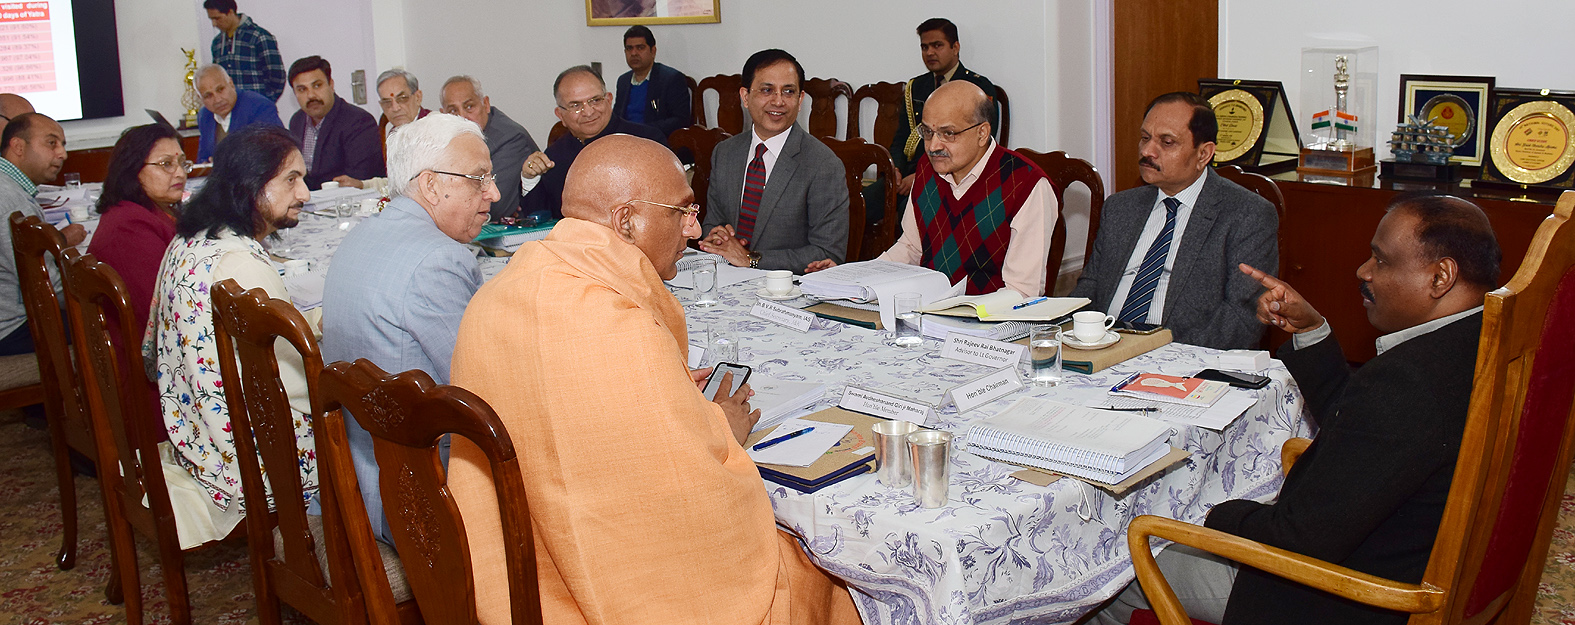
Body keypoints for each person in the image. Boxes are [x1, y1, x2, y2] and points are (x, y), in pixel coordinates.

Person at [446, 134, 861, 624]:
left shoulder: (499, 294)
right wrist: (719, 428)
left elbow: (567, 405)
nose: (695, 227)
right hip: (579, 592)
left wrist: (666, 388)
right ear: (627, 221)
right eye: (681, 211)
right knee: (822, 568)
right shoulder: (618, 324)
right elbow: (687, 494)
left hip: (509, 575)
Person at [1094, 194, 1501, 625]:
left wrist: (1210, 512)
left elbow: (1298, 537)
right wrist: (1312, 330)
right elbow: (1366, 427)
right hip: (1402, 553)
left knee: (1115, 565)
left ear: (1440, 277)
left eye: (1380, 260)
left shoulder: (1409, 380)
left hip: (1334, 594)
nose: (1363, 272)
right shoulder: (1480, 343)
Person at [319, 113, 497, 545]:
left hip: (359, 478)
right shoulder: (439, 259)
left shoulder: (361, 235)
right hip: (416, 501)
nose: (493, 192)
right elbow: (485, 390)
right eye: (478, 179)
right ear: (432, 185)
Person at [145, 124, 318, 549]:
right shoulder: (242, 266)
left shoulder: (188, 240)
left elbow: (150, 350)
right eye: (291, 180)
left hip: (193, 431)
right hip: (245, 455)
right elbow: (296, 386)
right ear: (251, 187)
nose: (305, 194)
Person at [1070, 92, 1278, 350]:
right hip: (1104, 344)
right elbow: (1090, 288)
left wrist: (1157, 356)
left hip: (1181, 353)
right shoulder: (1120, 207)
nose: (1147, 151)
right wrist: (1069, 336)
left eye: (1167, 142)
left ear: (1203, 154)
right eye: (1145, 138)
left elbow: (1240, 318)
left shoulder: (1247, 215)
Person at [823, 81, 1054, 297]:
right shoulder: (927, 169)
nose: (934, 146)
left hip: (989, 329)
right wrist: (856, 279)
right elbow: (911, 248)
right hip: (929, 314)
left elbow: (1021, 292)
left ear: (982, 133)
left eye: (948, 133)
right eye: (928, 132)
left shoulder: (1026, 185)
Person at [698, 50, 848, 272]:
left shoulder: (823, 165)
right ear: (745, 96)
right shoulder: (725, 153)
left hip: (785, 289)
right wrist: (718, 237)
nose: (778, 101)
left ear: (800, 100)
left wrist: (751, 259)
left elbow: (827, 252)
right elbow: (713, 222)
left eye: (788, 92)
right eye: (767, 90)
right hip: (728, 279)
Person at [518, 66, 667, 221]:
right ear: (560, 115)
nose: (588, 112)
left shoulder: (648, 141)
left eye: (595, 100)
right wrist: (530, 178)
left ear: (609, 100)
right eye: (576, 105)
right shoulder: (554, 156)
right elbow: (539, 219)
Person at [0, 113, 82, 357]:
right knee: (112, 323)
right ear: (18, 146)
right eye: (51, 143)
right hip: (12, 328)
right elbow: (44, 284)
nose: (63, 154)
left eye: (63, 145)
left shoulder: (10, 187)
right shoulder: (10, 200)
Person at [889, 18, 997, 197]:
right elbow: (901, 138)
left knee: (907, 216)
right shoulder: (916, 86)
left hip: (948, 176)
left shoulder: (977, 88)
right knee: (859, 205)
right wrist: (896, 169)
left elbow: (980, 145)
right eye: (925, 47)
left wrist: (920, 176)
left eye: (937, 45)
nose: (930, 52)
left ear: (955, 47)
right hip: (906, 175)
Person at [440, 75, 540, 222]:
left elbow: (493, 206)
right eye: (453, 111)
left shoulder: (510, 138)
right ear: (443, 115)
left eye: (469, 107)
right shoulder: (445, 138)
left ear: (485, 104)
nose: (462, 117)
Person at [286, 55, 383, 190]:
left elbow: (360, 178)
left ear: (331, 85)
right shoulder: (297, 121)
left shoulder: (358, 121)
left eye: (317, 85)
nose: (311, 95)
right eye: (302, 89)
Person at [334, 68, 431, 191]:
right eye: (387, 102)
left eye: (402, 98)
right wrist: (361, 185)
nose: (395, 108)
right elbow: (396, 183)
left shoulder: (435, 128)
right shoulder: (394, 133)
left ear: (418, 97)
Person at [613, 25, 692, 138]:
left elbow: (680, 120)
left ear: (653, 51)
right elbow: (617, 117)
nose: (634, 53)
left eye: (640, 48)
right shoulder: (623, 81)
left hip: (656, 141)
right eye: (629, 48)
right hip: (625, 142)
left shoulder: (671, 79)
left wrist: (642, 131)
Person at [195, 64, 283, 162]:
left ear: (231, 84)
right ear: (200, 99)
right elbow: (202, 159)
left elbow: (273, 154)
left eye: (220, 90)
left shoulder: (259, 107)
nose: (217, 100)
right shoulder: (204, 116)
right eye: (208, 95)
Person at [203, 0, 285, 102]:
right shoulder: (217, 43)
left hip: (257, 106)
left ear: (230, 12)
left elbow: (277, 75)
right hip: (229, 108)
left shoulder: (258, 36)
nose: (214, 24)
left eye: (217, 18)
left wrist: (266, 101)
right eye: (211, 19)